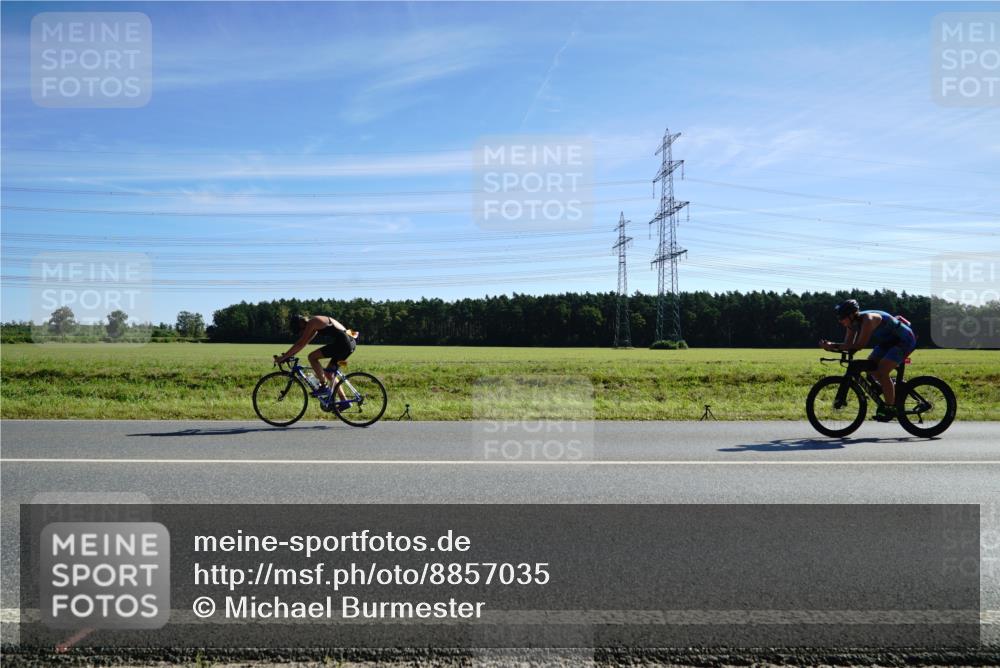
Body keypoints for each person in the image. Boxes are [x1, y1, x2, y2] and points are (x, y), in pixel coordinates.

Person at [819, 299, 917, 421]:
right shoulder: (851, 324)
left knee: (882, 372)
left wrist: (833, 345)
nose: (840, 321)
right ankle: (891, 387)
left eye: (842, 317)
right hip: (888, 342)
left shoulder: (868, 320)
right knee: (870, 368)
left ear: (851, 315)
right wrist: (830, 348)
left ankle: (890, 407)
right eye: (839, 318)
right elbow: (848, 344)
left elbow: (859, 345)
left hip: (904, 340)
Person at [274, 314, 358, 404]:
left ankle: (323, 386)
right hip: (349, 343)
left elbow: (300, 343)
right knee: (329, 374)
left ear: (301, 323)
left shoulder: (313, 322)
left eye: (300, 329)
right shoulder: (315, 324)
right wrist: (288, 355)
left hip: (343, 343)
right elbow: (303, 343)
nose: (301, 332)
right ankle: (344, 402)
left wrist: (284, 357)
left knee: (312, 357)